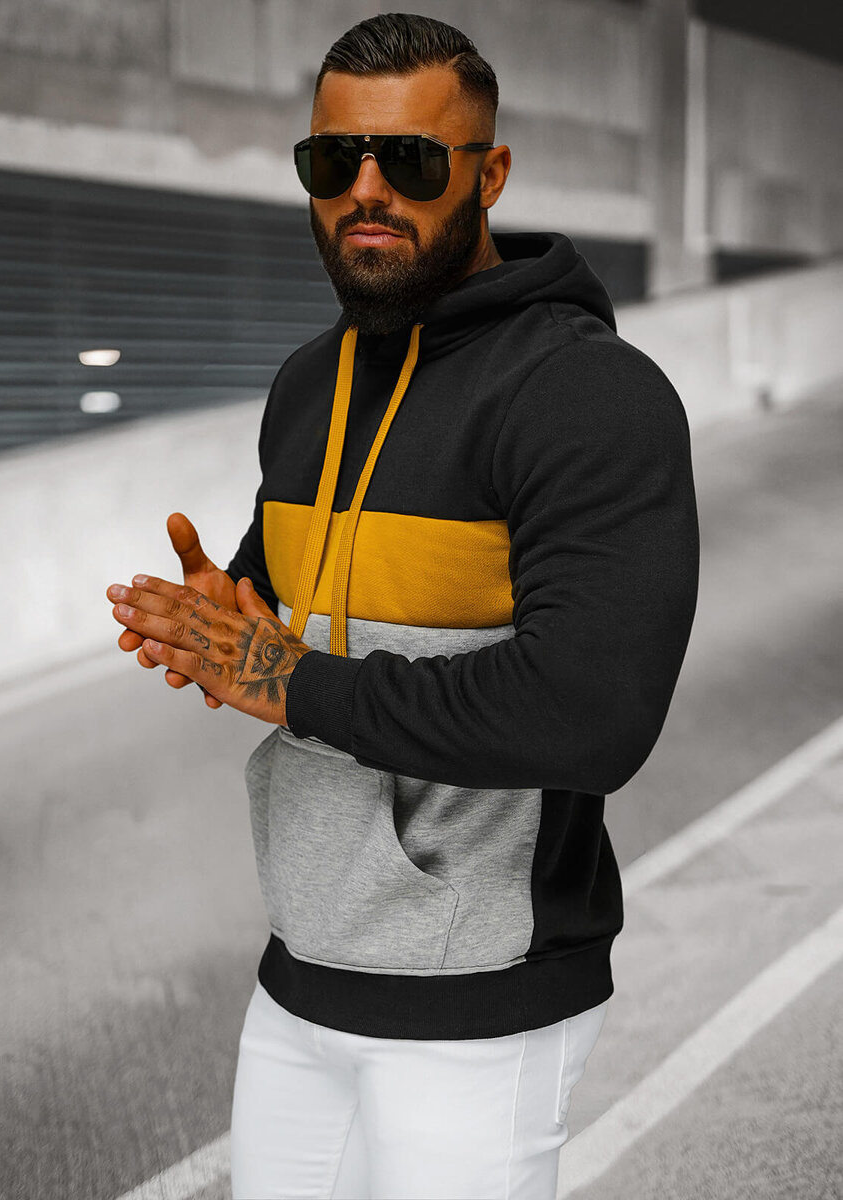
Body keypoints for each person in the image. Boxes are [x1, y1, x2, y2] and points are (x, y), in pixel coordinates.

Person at [106, 12, 699, 1199]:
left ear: (490, 173)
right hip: (302, 972)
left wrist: (288, 682)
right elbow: (294, 609)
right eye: (335, 159)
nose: (366, 190)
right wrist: (235, 611)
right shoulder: (307, 383)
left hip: (484, 1000)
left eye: (412, 162)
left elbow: (590, 712)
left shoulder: (588, 394)